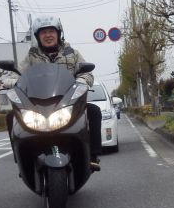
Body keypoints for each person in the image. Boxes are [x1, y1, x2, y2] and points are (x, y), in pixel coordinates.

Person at [8, 15, 103, 171]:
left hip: (67, 102)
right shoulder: (31, 56)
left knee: (93, 111)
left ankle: (93, 156)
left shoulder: (72, 53)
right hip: (38, 104)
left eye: (51, 31)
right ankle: (20, 160)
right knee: (11, 116)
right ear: (38, 36)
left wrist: (82, 81)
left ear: (58, 33)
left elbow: (87, 73)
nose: (48, 35)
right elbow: (18, 74)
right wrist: (10, 80)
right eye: (43, 32)